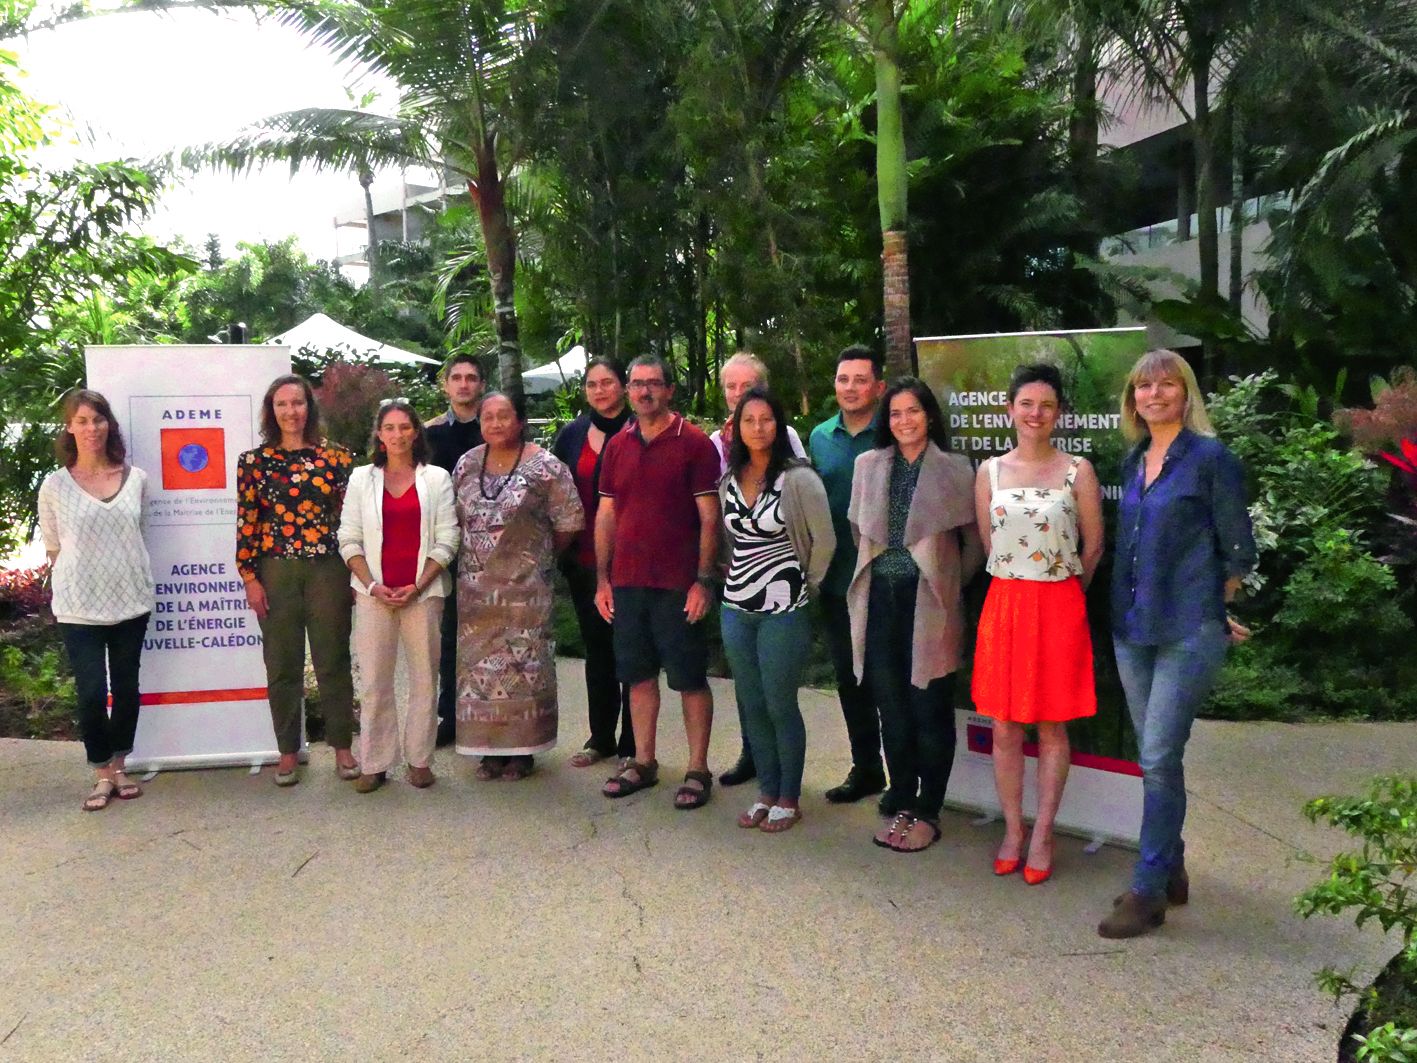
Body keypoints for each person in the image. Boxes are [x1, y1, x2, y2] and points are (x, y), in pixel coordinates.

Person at [1098, 349, 1256, 938]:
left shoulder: (1211, 459)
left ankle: (1147, 891)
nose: (1155, 394)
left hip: (1187, 632)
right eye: (1144, 386)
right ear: (1132, 399)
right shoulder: (1133, 459)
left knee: (1160, 757)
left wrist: (1214, 605)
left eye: (1167, 384)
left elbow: (1238, 549)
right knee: (1154, 757)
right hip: (1132, 628)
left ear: (1186, 394)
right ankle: (1171, 868)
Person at [972, 364, 1104, 885]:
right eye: (1026, 403)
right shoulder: (989, 473)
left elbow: (1093, 546)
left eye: (1046, 405)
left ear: (1059, 414)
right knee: (1005, 726)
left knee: (1052, 726)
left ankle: (1044, 834)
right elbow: (989, 543)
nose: (1035, 413)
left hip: (1059, 605)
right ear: (1010, 409)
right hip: (1005, 604)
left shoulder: (1078, 471)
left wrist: (1061, 590)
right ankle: (1013, 830)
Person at [847, 377, 983, 853]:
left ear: (929, 416)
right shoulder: (867, 466)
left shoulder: (954, 469)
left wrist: (947, 582)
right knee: (891, 705)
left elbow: (973, 544)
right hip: (879, 599)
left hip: (931, 601)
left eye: (914, 411)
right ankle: (902, 792)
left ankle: (929, 807)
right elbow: (858, 533)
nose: (905, 421)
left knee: (930, 706)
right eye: (896, 413)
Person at [596, 355, 722, 810]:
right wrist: (602, 580)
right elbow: (606, 515)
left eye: (653, 383)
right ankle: (643, 761)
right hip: (628, 582)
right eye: (636, 384)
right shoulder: (618, 445)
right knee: (638, 676)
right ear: (627, 390)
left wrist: (703, 581)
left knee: (689, 679)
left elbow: (710, 519)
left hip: (678, 584)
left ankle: (697, 769)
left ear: (669, 389)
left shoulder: (694, 443)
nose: (644, 391)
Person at [718, 386, 835, 833]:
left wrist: (807, 585)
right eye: (748, 420)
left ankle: (789, 797)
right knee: (751, 703)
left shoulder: (798, 478)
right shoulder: (730, 479)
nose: (758, 428)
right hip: (736, 607)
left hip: (784, 609)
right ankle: (766, 791)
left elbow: (825, 541)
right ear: (737, 428)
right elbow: (730, 539)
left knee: (779, 702)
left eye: (766, 419)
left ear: (779, 425)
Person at [451, 392, 584, 780]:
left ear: (520, 421)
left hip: (526, 594)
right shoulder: (467, 464)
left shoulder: (546, 467)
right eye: (487, 417)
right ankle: (488, 751)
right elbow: (454, 520)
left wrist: (533, 559)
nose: (495, 423)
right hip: (475, 598)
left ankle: (524, 751)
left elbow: (568, 522)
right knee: (480, 675)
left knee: (526, 670)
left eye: (503, 416)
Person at [38, 389, 155, 812]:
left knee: (126, 688)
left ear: (109, 425)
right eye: (82, 421)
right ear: (70, 427)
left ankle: (120, 767)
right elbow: (54, 547)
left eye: (98, 419)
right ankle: (101, 771)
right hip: (79, 607)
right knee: (91, 691)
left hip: (130, 601)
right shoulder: (54, 486)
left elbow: (139, 534)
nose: (91, 428)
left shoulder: (136, 479)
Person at [236, 374, 356, 787]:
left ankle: (343, 747)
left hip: (328, 569)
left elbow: (350, 521)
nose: (291, 411)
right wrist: (249, 577)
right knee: (281, 664)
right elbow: (247, 522)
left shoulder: (337, 458)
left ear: (310, 407)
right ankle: (287, 752)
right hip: (275, 571)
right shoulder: (253, 462)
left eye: (298, 403)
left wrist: (355, 574)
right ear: (271, 411)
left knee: (333, 660)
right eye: (282, 404)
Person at [338, 399, 459, 793]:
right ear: (379, 434)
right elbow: (348, 538)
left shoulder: (437, 479)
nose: (397, 435)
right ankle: (375, 763)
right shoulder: (361, 479)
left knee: (425, 679)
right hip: (373, 594)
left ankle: (420, 760)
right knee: (375, 681)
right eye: (389, 428)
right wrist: (372, 585)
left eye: (405, 427)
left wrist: (418, 585)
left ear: (416, 432)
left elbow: (448, 539)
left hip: (423, 594)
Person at [709, 351, 806, 787]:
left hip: (783, 591)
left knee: (777, 694)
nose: (737, 393)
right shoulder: (716, 445)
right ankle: (756, 762)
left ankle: (785, 788)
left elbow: (806, 516)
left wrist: (802, 579)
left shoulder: (786, 442)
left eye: (746, 385)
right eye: (730, 386)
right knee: (748, 689)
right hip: (735, 584)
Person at [808, 344, 888, 805]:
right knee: (850, 679)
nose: (851, 388)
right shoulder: (820, 437)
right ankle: (866, 768)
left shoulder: (894, 431)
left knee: (889, 679)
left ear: (878, 386)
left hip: (886, 578)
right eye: (843, 379)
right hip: (837, 579)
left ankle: (906, 776)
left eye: (861, 379)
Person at [550, 357, 636, 768]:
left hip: (634, 563)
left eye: (608, 382)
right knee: (598, 651)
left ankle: (634, 743)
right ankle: (601, 737)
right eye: (592, 384)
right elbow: (554, 493)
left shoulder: (640, 430)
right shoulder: (571, 435)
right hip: (584, 562)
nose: (600, 391)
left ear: (624, 386)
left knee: (632, 653)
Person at [425, 353, 486, 747]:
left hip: (491, 551)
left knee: (489, 637)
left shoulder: (494, 428)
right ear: (446, 384)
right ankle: (449, 715)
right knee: (448, 637)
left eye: (471, 378)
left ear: (482, 384)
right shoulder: (429, 435)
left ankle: (487, 714)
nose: (464, 384)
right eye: (457, 377)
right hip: (444, 549)